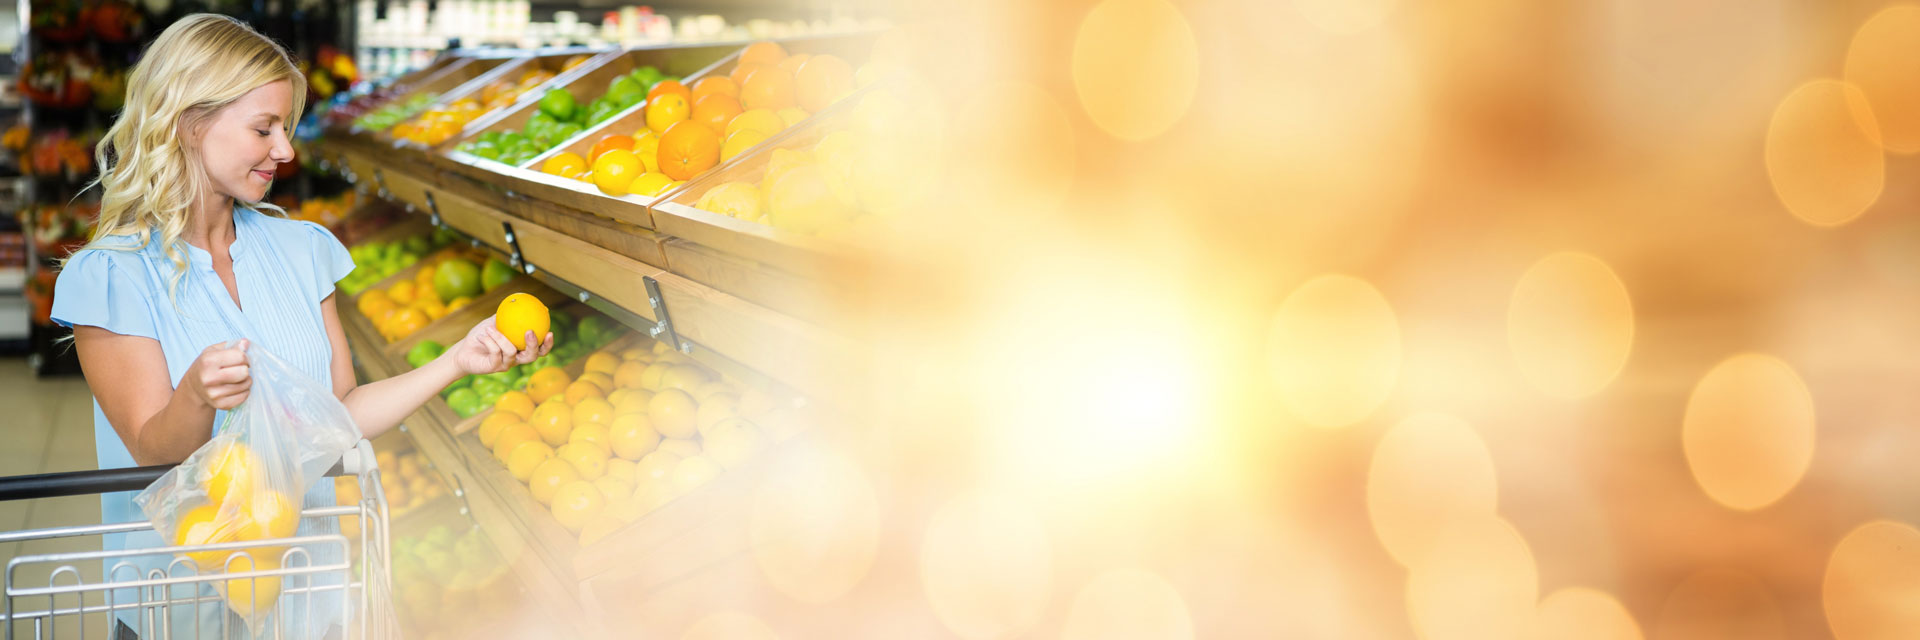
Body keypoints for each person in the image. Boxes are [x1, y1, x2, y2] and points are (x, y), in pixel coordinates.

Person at [49, 15, 552, 639]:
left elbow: (338, 416)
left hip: (311, 599)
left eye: (285, 128)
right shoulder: (111, 276)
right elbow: (156, 453)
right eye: (264, 128)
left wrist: (456, 360)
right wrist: (196, 396)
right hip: (181, 611)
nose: (285, 151)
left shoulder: (302, 249)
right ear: (186, 122)